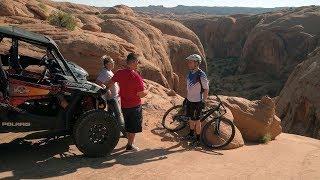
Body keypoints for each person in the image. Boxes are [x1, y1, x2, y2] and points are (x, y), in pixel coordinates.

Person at [107, 53, 149, 152]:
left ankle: (130, 143)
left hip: (124, 105)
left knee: (128, 124)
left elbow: (110, 83)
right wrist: (149, 89)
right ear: (133, 62)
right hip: (134, 105)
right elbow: (141, 94)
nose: (138, 64)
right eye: (137, 62)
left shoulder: (119, 72)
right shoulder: (136, 76)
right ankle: (130, 145)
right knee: (133, 127)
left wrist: (106, 90)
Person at [96, 55, 125, 136]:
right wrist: (106, 89)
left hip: (114, 97)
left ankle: (107, 131)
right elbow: (98, 82)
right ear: (107, 64)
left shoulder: (109, 71)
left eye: (113, 62)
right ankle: (124, 132)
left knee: (110, 116)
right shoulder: (104, 72)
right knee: (118, 115)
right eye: (112, 62)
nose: (113, 63)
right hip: (112, 98)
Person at [184, 54, 209, 146]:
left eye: (190, 62)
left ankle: (198, 140)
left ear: (196, 63)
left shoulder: (201, 74)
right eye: (189, 62)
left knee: (197, 121)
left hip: (197, 102)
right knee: (191, 119)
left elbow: (206, 89)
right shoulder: (190, 73)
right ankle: (191, 134)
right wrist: (186, 98)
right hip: (190, 100)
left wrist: (203, 101)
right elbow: (189, 87)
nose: (188, 64)